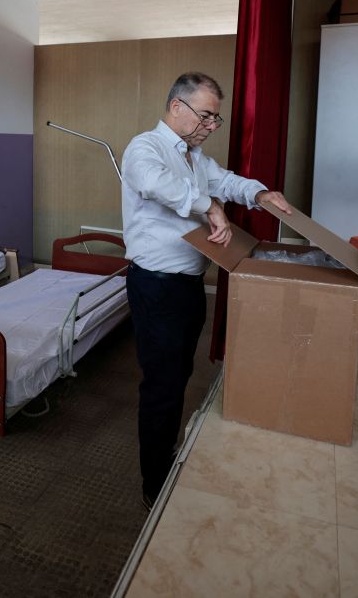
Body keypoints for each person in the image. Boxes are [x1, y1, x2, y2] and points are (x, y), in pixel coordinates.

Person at [120, 72, 292, 508]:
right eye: (205, 116)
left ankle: (166, 451)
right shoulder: (145, 148)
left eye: (216, 119)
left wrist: (260, 194)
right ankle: (152, 483)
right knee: (161, 385)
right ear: (177, 107)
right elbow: (156, 185)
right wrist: (208, 206)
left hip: (189, 286)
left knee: (179, 376)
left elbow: (227, 181)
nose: (211, 126)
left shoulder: (195, 158)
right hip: (156, 287)